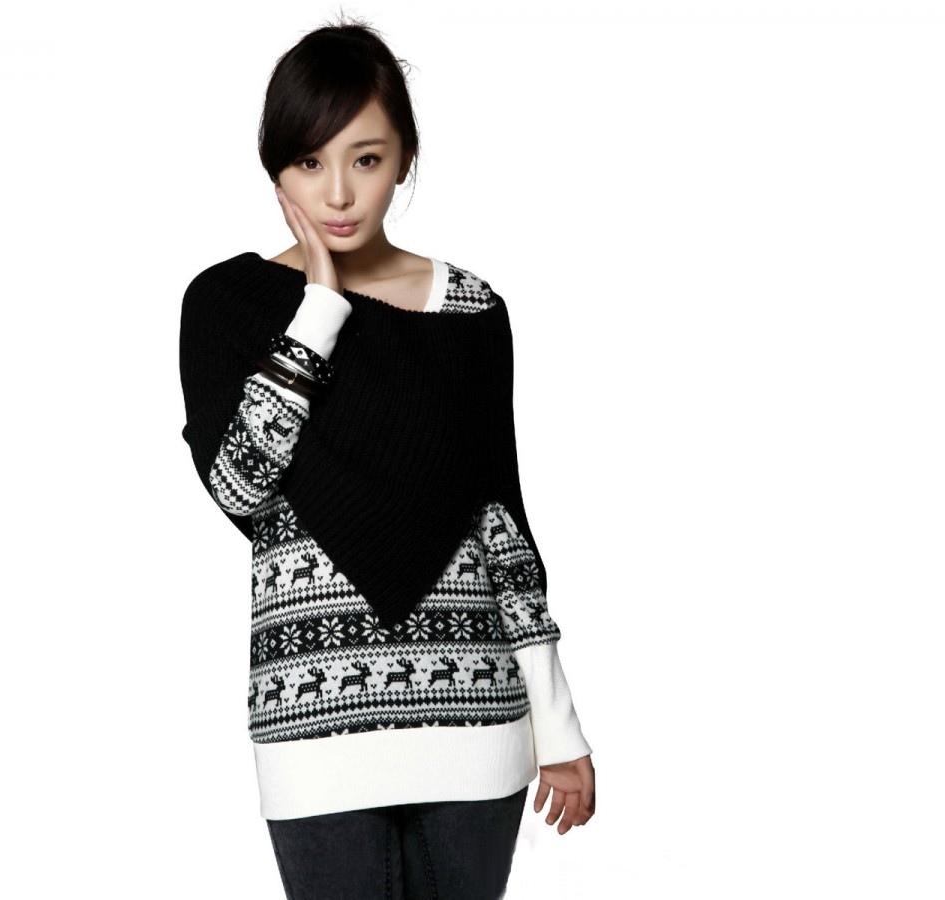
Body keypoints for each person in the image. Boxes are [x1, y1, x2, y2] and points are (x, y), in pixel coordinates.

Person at [178, 18, 596, 900]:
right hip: (313, 722)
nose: (338, 193)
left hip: (474, 718)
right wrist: (318, 308)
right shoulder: (225, 303)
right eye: (309, 162)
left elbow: (501, 518)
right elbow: (240, 486)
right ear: (275, 168)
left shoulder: (471, 310)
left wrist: (558, 727)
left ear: (404, 158)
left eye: (365, 159)